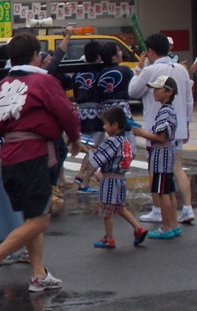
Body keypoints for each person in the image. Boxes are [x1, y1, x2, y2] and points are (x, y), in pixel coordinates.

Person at [0, 32, 81, 292]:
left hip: (10, 156)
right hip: (34, 155)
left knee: (32, 217)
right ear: (36, 55)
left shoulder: (1, 85)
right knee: (40, 220)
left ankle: (38, 273)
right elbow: (65, 110)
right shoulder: (42, 82)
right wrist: (75, 137)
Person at [128, 33, 193, 225]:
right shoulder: (181, 69)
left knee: (156, 170)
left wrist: (138, 68)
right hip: (178, 126)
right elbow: (189, 99)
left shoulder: (151, 70)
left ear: (150, 51)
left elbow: (133, 91)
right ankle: (187, 208)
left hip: (156, 129)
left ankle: (158, 210)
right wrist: (187, 124)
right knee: (177, 168)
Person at [75, 107, 147, 249]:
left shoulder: (112, 141)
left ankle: (109, 238)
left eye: (106, 124)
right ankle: (138, 228)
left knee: (107, 211)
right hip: (121, 179)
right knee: (120, 207)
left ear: (114, 125)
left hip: (110, 180)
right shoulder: (124, 140)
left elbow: (97, 160)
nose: (104, 126)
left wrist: (86, 174)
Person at [131, 75, 181, 239]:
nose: (154, 92)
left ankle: (166, 227)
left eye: (158, 89)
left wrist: (142, 133)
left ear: (168, 92)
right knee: (169, 191)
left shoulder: (165, 112)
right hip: (166, 155)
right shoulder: (169, 110)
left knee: (163, 193)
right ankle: (173, 225)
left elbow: (161, 137)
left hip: (161, 156)